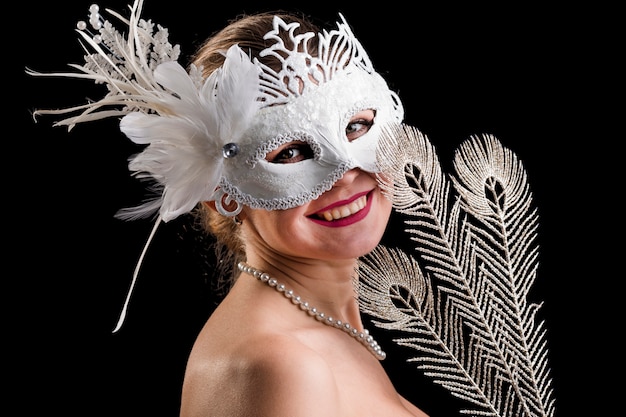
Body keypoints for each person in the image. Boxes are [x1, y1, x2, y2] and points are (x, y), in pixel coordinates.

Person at [28, 0, 427, 415]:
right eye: (289, 152)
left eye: (357, 126)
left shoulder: (318, 334)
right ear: (218, 189)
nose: (345, 170)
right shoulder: (279, 364)